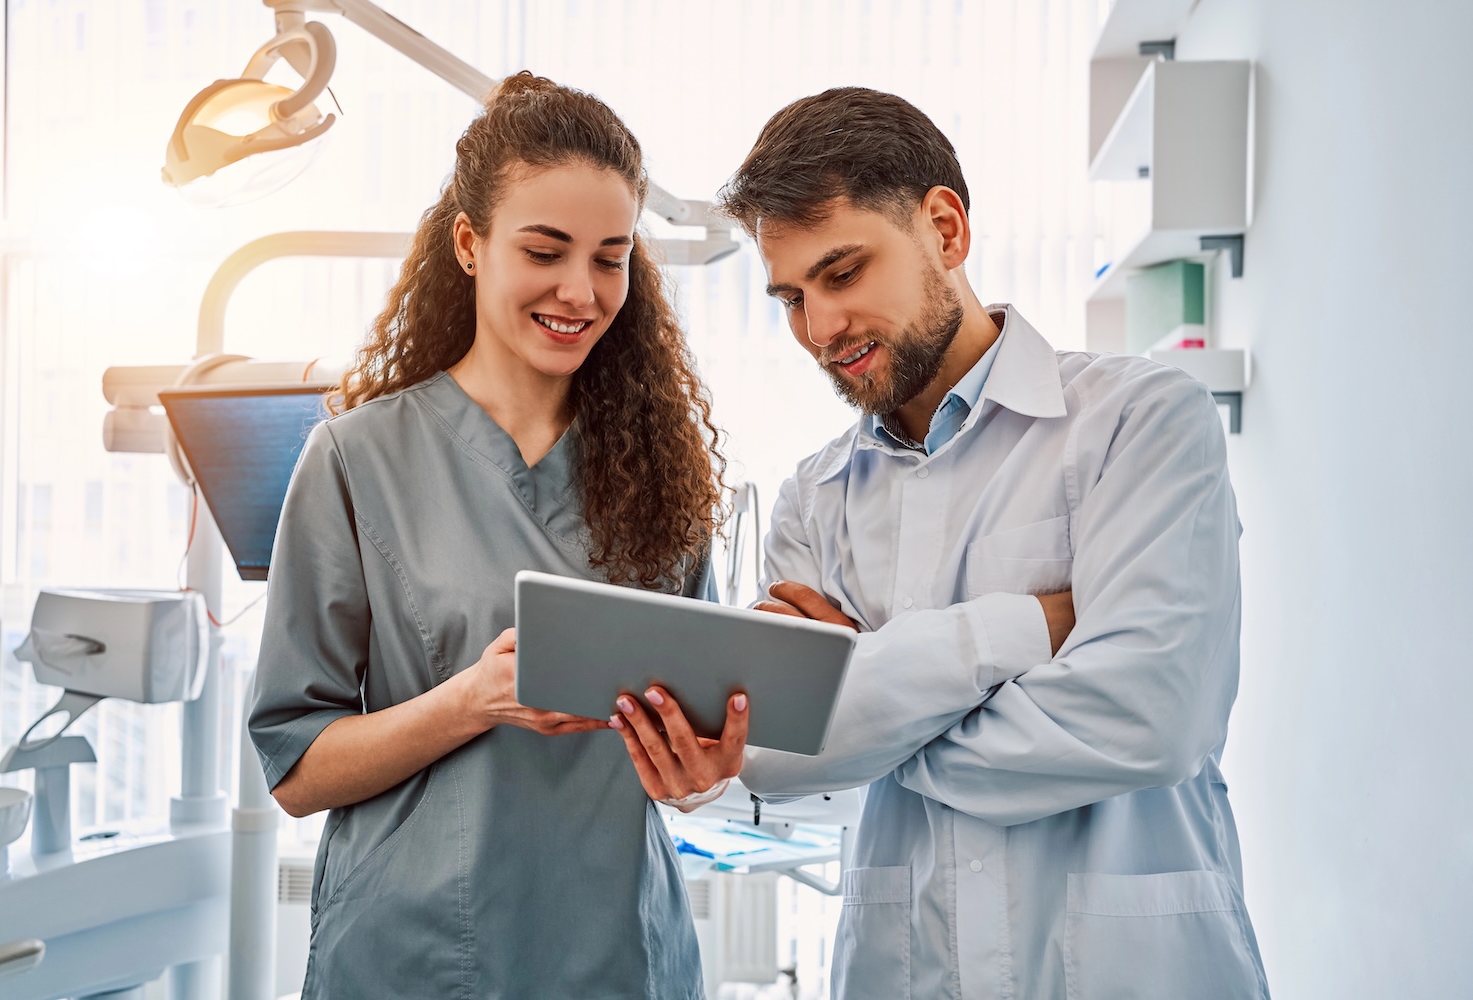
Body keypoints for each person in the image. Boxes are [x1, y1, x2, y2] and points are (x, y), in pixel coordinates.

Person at [613, 87, 1270, 999]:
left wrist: (868, 702)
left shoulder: (1142, 423)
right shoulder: (815, 499)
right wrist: (1018, 633)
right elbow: (786, 762)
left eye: (843, 274)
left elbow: (1150, 719)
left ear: (946, 229)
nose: (817, 329)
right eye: (791, 297)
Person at [248, 71, 736, 1000]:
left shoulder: (663, 474)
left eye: (610, 257)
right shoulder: (356, 460)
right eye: (545, 251)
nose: (581, 291)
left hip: (622, 952)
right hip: (418, 955)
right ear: (471, 245)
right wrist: (472, 699)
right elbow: (297, 770)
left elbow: (687, 743)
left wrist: (700, 770)